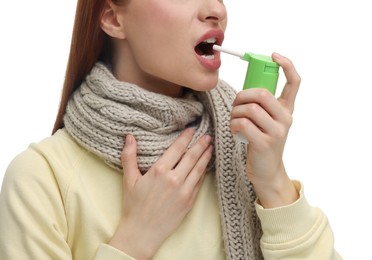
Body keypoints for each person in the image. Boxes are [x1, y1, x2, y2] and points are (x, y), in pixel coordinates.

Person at [0, 0, 341, 259]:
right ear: (113, 18)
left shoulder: (240, 158)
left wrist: (274, 183)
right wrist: (135, 239)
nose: (215, 10)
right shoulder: (42, 178)